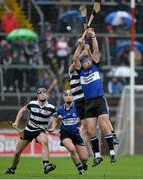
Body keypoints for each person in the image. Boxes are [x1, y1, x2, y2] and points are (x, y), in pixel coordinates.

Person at [73, 28, 116, 165]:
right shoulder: (80, 72)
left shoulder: (95, 67)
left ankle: (112, 152)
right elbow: (75, 59)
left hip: (99, 100)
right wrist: (80, 47)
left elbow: (96, 51)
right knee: (91, 130)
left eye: (88, 61)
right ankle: (97, 155)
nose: (87, 62)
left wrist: (93, 36)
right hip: (88, 103)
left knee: (104, 126)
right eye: (85, 61)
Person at [5, 87, 56, 174]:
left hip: (40, 130)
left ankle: (46, 165)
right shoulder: (32, 103)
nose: (42, 94)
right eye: (40, 93)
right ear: (38, 95)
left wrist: (53, 127)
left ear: (47, 95)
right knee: (17, 152)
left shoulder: (51, 107)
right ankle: (12, 168)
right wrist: (16, 122)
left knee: (44, 141)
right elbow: (22, 110)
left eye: (44, 92)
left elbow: (56, 118)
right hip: (29, 130)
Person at [50, 89, 88, 175]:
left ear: (73, 97)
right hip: (65, 133)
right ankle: (80, 169)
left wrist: (81, 128)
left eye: (70, 95)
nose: (68, 97)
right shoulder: (59, 109)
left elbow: (84, 121)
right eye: (66, 95)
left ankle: (83, 162)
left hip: (76, 134)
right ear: (63, 97)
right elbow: (55, 120)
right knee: (72, 149)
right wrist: (53, 128)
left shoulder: (78, 108)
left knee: (85, 157)